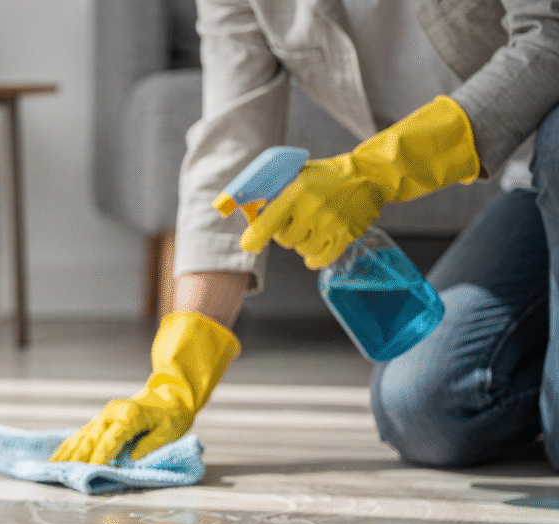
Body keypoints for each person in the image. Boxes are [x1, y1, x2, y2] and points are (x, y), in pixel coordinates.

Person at [52, 0, 559, 468]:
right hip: (527, 183)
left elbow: (549, 37)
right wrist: (175, 382)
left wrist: (376, 173)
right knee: (425, 411)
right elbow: (232, 145)